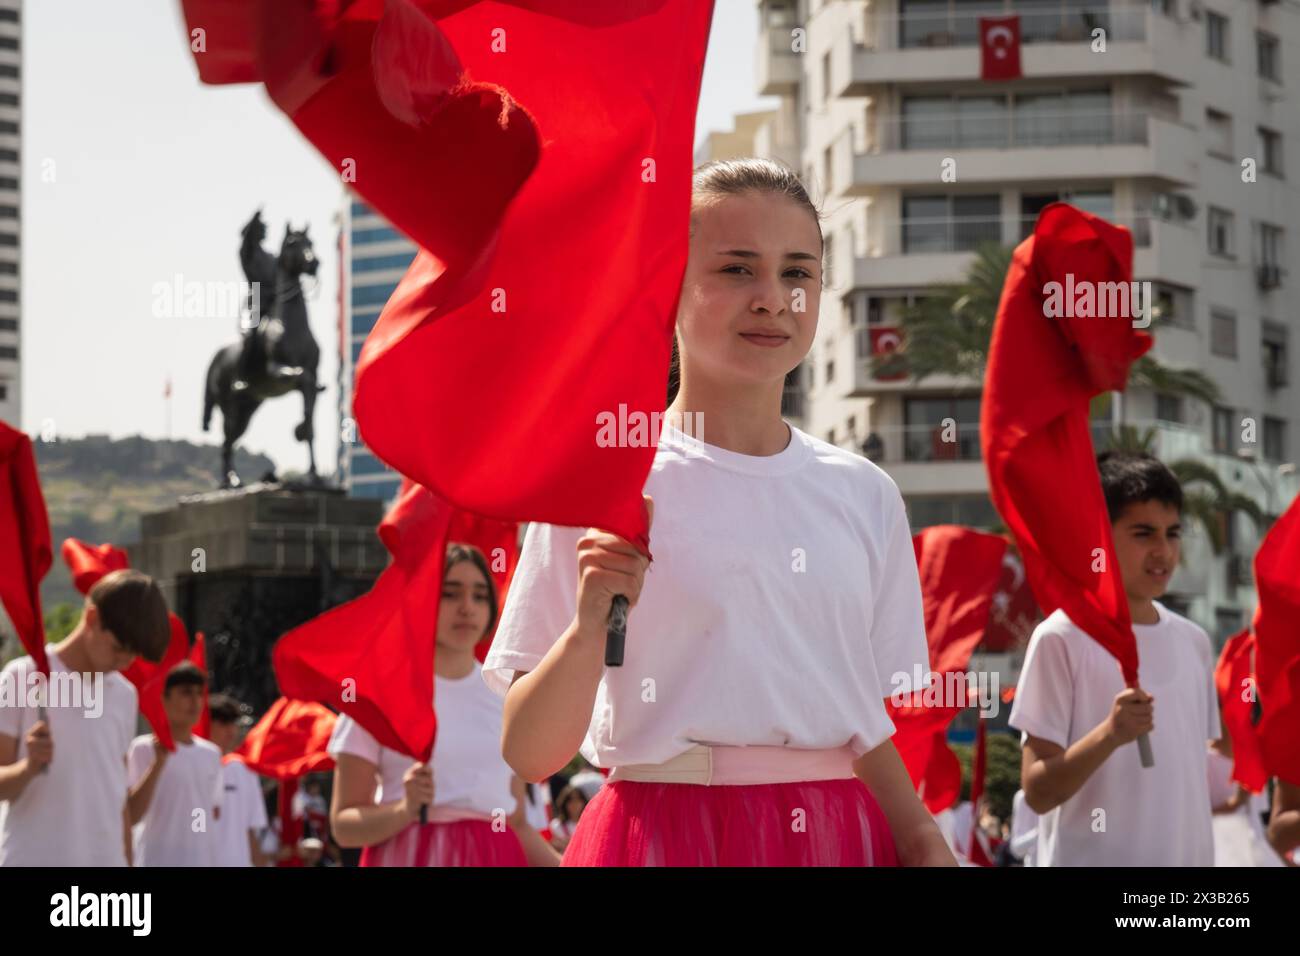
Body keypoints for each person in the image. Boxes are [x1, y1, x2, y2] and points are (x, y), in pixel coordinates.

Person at [487, 158, 955, 867]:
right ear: (666, 282)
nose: (772, 298)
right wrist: (589, 626)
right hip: (660, 836)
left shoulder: (864, 493)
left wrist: (922, 839)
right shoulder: (604, 481)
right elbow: (529, 751)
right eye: (736, 269)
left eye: (798, 273)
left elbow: (860, 722)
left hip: (839, 840)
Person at [1010, 451, 1219, 865]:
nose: (1163, 551)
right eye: (1144, 534)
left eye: (1173, 533)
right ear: (1100, 536)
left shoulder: (1195, 641)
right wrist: (1110, 734)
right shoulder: (1061, 637)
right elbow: (1037, 791)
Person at [328, 543, 559, 866]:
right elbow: (343, 825)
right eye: (450, 593)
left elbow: (516, 822)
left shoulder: (505, 695)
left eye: (479, 596)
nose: (467, 607)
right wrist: (403, 810)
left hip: (494, 856)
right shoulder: (378, 694)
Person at [0, 570, 170, 866]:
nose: (125, 662)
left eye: (133, 655)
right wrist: (29, 767)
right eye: (118, 649)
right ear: (92, 619)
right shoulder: (21, 677)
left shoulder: (124, 694)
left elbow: (117, 797)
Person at [127, 662, 225, 866]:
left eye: (200, 693)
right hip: (154, 860)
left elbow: (208, 812)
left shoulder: (211, 754)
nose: (195, 701)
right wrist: (158, 765)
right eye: (186, 693)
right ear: (165, 698)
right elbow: (132, 815)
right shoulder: (143, 748)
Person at [207, 694, 271, 867]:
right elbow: (194, 827)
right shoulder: (193, 766)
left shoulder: (245, 770)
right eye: (223, 723)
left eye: (233, 723)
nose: (231, 731)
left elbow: (250, 830)